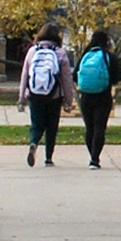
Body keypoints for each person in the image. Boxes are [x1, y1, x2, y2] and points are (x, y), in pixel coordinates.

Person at [18, 22, 75, 168]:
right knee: (51, 126)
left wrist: (22, 97)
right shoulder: (60, 53)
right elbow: (67, 79)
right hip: (54, 96)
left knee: (36, 124)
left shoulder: (32, 51)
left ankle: (33, 143)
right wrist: (69, 100)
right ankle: (48, 158)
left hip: (34, 94)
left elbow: (25, 75)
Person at [76, 30, 120, 170]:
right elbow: (116, 77)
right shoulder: (109, 56)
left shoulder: (85, 56)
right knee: (100, 127)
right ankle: (95, 159)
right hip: (103, 96)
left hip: (86, 96)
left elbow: (75, 76)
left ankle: (92, 155)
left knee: (89, 128)